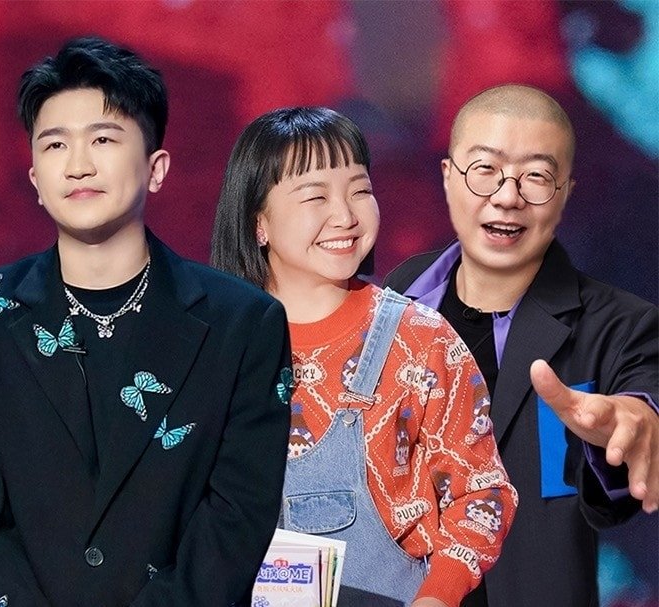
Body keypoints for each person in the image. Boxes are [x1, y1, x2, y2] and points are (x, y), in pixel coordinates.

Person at [0, 37, 290, 606]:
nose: (78, 165)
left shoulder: (242, 323)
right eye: (55, 144)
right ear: (34, 179)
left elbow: (238, 517)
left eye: (103, 139)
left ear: (156, 168)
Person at [210, 107, 518, 607]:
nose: (346, 216)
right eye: (316, 196)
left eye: (359, 190)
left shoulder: (420, 340)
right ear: (258, 222)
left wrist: (437, 597)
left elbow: (482, 492)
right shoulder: (213, 345)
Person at [384, 84, 658, 607]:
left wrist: (634, 425)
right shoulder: (390, 304)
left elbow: (642, 400)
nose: (507, 196)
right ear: (448, 177)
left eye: (535, 176)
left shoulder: (620, 323)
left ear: (567, 192)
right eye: (485, 169)